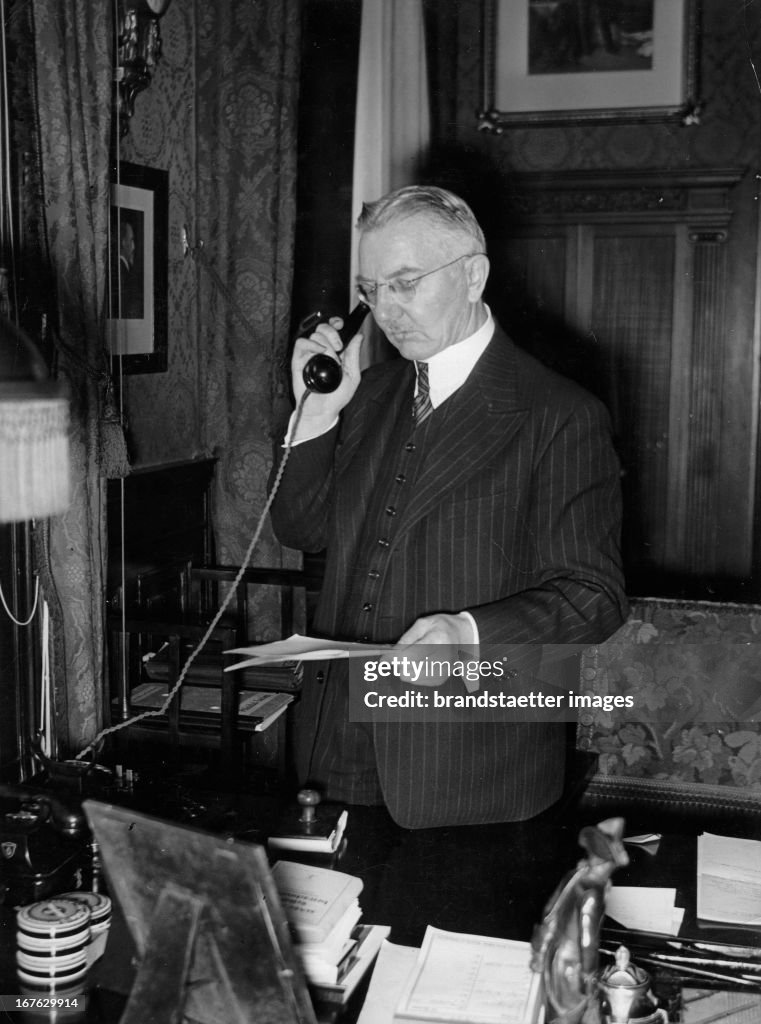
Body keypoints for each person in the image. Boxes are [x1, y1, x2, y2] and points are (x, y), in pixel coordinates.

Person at [270, 185, 627, 828]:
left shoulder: (558, 414)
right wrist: (317, 414)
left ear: (473, 275)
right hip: (335, 745)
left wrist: (466, 636)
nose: (386, 310)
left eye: (406, 283)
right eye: (371, 289)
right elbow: (303, 528)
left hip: (470, 764)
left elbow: (593, 595)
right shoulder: (368, 394)